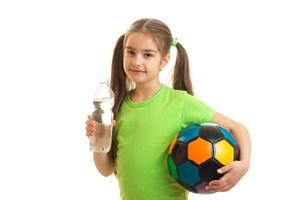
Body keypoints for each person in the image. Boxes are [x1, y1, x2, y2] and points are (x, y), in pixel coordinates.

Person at [85, 18, 251, 200]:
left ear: (164, 60)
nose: (136, 61)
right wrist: (98, 142)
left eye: (147, 55)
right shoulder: (117, 106)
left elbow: (237, 128)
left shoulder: (180, 102)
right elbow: (106, 169)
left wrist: (243, 165)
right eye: (130, 52)